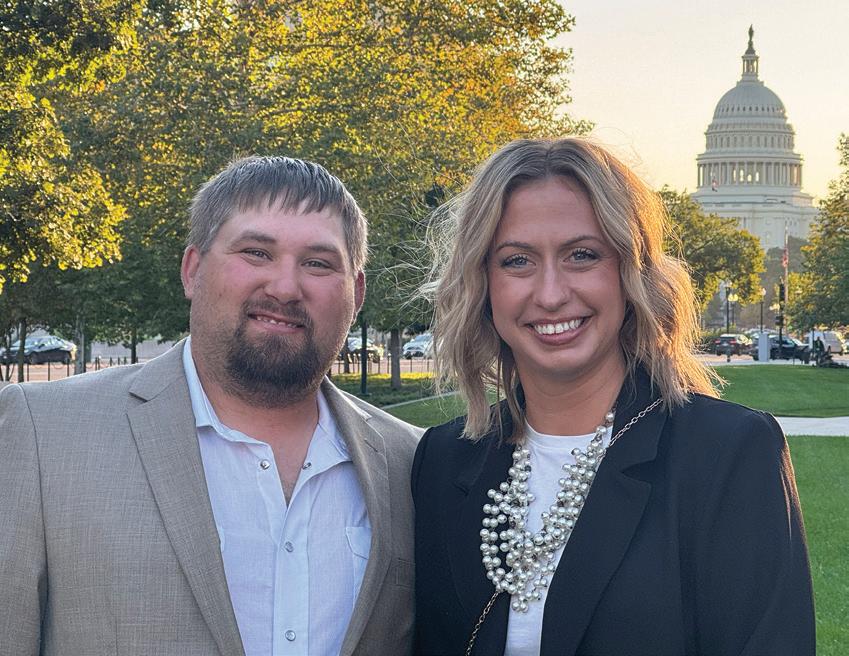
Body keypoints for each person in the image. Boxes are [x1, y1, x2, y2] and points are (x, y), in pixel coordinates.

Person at [0, 156, 421, 656]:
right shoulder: (44, 434)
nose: (285, 287)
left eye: (318, 263)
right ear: (192, 270)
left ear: (357, 293)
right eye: (256, 253)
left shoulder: (412, 464)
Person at [412, 138, 814, 656]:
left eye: (582, 255)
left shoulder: (728, 455)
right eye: (517, 261)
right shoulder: (443, 461)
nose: (551, 294)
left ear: (631, 271)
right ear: (482, 283)